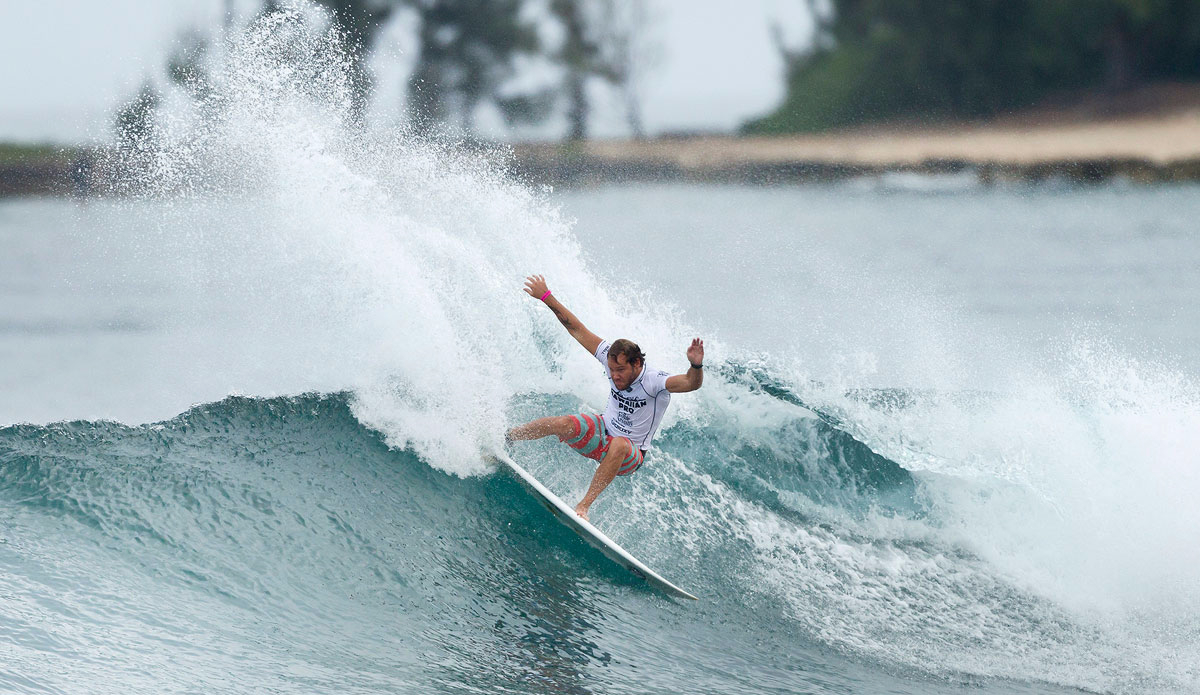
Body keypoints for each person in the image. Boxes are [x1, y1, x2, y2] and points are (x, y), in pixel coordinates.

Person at [506, 275, 704, 521]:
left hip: (630, 456)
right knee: (562, 423)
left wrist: (696, 366)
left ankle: (584, 506)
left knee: (620, 443)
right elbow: (575, 328)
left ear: (637, 363)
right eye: (611, 370)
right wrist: (546, 297)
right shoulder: (610, 358)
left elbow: (690, 384)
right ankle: (508, 437)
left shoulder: (654, 381)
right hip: (601, 435)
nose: (615, 376)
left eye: (620, 371)